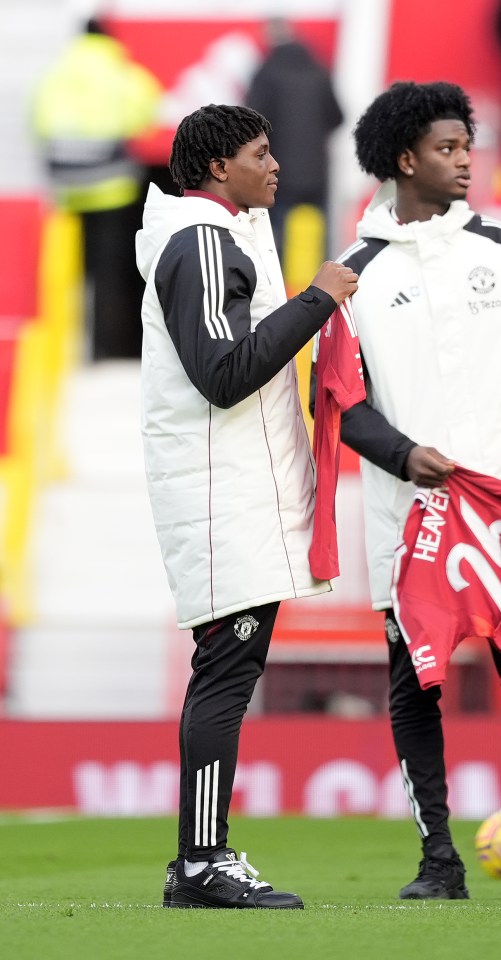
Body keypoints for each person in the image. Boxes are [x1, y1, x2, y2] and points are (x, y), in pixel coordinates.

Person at [335, 81, 501, 901]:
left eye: (467, 146)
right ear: (404, 158)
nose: (465, 161)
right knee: (416, 685)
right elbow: (342, 402)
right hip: (410, 515)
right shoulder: (355, 274)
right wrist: (401, 452)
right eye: (448, 148)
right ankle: (436, 862)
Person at [135, 103, 357, 909]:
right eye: (261, 154)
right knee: (226, 673)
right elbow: (222, 373)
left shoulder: (218, 236)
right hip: (215, 488)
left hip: (232, 487)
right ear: (219, 168)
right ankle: (200, 863)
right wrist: (317, 300)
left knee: (231, 669)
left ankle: (201, 858)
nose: (276, 165)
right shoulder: (197, 240)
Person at [32, 16, 162, 360]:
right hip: (109, 185)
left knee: (69, 268)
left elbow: (36, 121)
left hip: (66, 186)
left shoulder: (55, 74)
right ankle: (106, 348)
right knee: (110, 271)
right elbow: (147, 115)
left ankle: (66, 350)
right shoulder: (122, 73)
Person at [244, 18, 343, 263]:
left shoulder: (266, 73)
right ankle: (321, 290)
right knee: (317, 237)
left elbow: (251, 121)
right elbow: (338, 117)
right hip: (317, 172)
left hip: (277, 172)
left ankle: (283, 295)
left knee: (276, 240)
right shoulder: (318, 70)